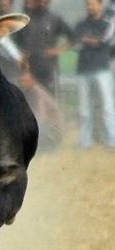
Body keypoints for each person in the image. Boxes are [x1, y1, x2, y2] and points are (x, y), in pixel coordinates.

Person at [74, 0, 115, 149]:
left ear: (100, 5)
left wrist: (87, 39)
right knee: (84, 108)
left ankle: (112, 140)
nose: (90, 7)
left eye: (92, 4)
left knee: (107, 106)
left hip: (101, 70)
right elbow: (76, 42)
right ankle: (85, 141)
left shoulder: (107, 22)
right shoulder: (80, 23)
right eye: (88, 4)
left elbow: (104, 40)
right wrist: (92, 40)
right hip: (83, 70)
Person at [13, 0, 74, 95]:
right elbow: (15, 40)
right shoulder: (25, 19)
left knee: (50, 99)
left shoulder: (55, 19)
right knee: (28, 100)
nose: (41, 2)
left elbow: (73, 37)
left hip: (48, 67)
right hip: (29, 69)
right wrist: (21, 54)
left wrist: (57, 51)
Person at [19, 71, 64, 152]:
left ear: (33, 81)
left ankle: (50, 147)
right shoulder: (28, 92)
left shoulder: (37, 93)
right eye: (21, 81)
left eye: (25, 81)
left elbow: (41, 117)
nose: (23, 84)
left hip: (52, 129)